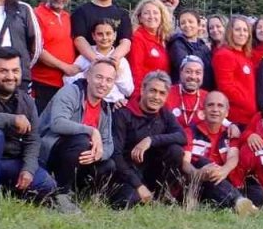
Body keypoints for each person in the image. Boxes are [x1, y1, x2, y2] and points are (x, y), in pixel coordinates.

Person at [0, 47, 76, 212]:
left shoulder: (26, 101)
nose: (10, 76)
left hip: (9, 162)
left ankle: (7, 190)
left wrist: (28, 169)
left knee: (47, 184)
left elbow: (33, 139)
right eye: (3, 71)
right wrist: (11, 119)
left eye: (15, 71)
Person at [40, 59, 120, 206]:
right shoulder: (71, 92)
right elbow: (57, 123)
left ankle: (81, 196)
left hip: (80, 160)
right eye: (99, 77)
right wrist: (92, 131)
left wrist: (97, 154)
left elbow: (108, 144)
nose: (103, 84)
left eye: (109, 80)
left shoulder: (105, 108)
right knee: (82, 140)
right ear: (88, 76)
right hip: (51, 154)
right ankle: (61, 194)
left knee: (108, 164)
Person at [111, 71, 188, 207]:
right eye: (152, 91)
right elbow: (116, 154)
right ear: (142, 90)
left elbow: (182, 136)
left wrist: (151, 140)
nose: (156, 97)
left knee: (175, 151)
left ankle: (162, 196)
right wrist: (138, 185)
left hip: (152, 172)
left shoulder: (164, 113)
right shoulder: (123, 112)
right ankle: (141, 193)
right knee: (126, 202)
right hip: (127, 172)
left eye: (162, 93)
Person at [181, 91, 260, 216]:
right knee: (204, 163)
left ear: (227, 112)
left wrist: (224, 170)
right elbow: (185, 163)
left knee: (259, 194)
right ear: (203, 110)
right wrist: (197, 174)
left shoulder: (230, 133)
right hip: (196, 181)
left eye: (220, 106)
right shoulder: (190, 131)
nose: (215, 109)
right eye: (210, 105)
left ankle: (232, 201)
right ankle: (238, 201)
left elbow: (233, 157)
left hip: (222, 180)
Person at [31, 0, 81, 113]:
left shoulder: (68, 18)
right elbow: (37, 49)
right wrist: (65, 67)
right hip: (42, 84)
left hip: (66, 85)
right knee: (41, 126)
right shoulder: (36, 15)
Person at [70, 0, 132, 66]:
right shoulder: (80, 12)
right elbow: (79, 39)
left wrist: (113, 59)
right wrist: (96, 60)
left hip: (114, 66)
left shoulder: (122, 14)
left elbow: (126, 42)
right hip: (87, 65)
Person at [64, 20, 135, 104]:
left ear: (115, 35)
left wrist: (118, 73)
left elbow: (128, 91)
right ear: (93, 36)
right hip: (89, 104)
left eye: (108, 34)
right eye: (100, 34)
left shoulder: (121, 60)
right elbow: (67, 81)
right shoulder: (84, 57)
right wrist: (86, 74)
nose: (104, 38)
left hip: (114, 104)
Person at [213, 15, 258, 126]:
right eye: (237, 30)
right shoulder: (224, 54)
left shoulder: (246, 56)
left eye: (245, 30)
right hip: (236, 117)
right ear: (230, 32)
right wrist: (248, 104)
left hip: (250, 116)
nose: (242, 33)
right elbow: (226, 87)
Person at [129, 0, 172, 96]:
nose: (151, 16)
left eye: (155, 13)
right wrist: (139, 96)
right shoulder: (137, 38)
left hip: (161, 94)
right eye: (146, 13)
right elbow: (136, 70)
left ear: (161, 16)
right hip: (145, 95)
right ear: (140, 18)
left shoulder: (163, 38)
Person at [167, 9, 214, 89]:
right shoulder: (177, 43)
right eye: (183, 23)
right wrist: (204, 49)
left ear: (198, 24)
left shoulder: (202, 44)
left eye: (190, 21)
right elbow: (184, 64)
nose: (187, 25)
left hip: (203, 93)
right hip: (184, 91)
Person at [165, 55, 208, 132]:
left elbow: (221, 120)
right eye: (188, 71)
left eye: (198, 73)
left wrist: (232, 125)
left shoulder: (208, 97)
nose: (193, 76)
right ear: (181, 72)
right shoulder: (166, 93)